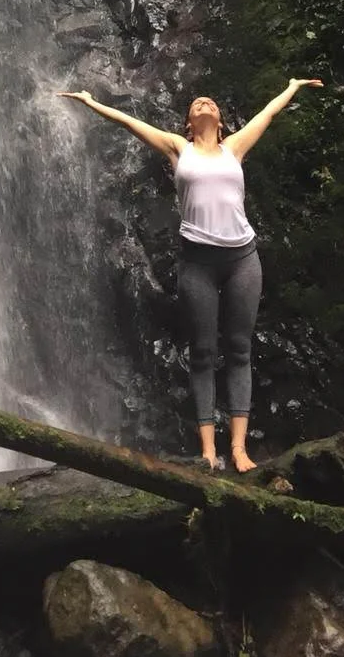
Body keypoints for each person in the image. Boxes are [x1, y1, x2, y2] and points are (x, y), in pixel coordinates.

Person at [58, 78, 322, 473]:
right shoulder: (177, 148)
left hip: (241, 259)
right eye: (197, 102)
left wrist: (293, 86)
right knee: (201, 353)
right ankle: (208, 451)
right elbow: (130, 123)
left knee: (239, 350)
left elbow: (269, 111)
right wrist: (92, 102)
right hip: (197, 262)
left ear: (220, 119)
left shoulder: (235, 148)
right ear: (187, 122)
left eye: (210, 101)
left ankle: (238, 448)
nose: (204, 101)